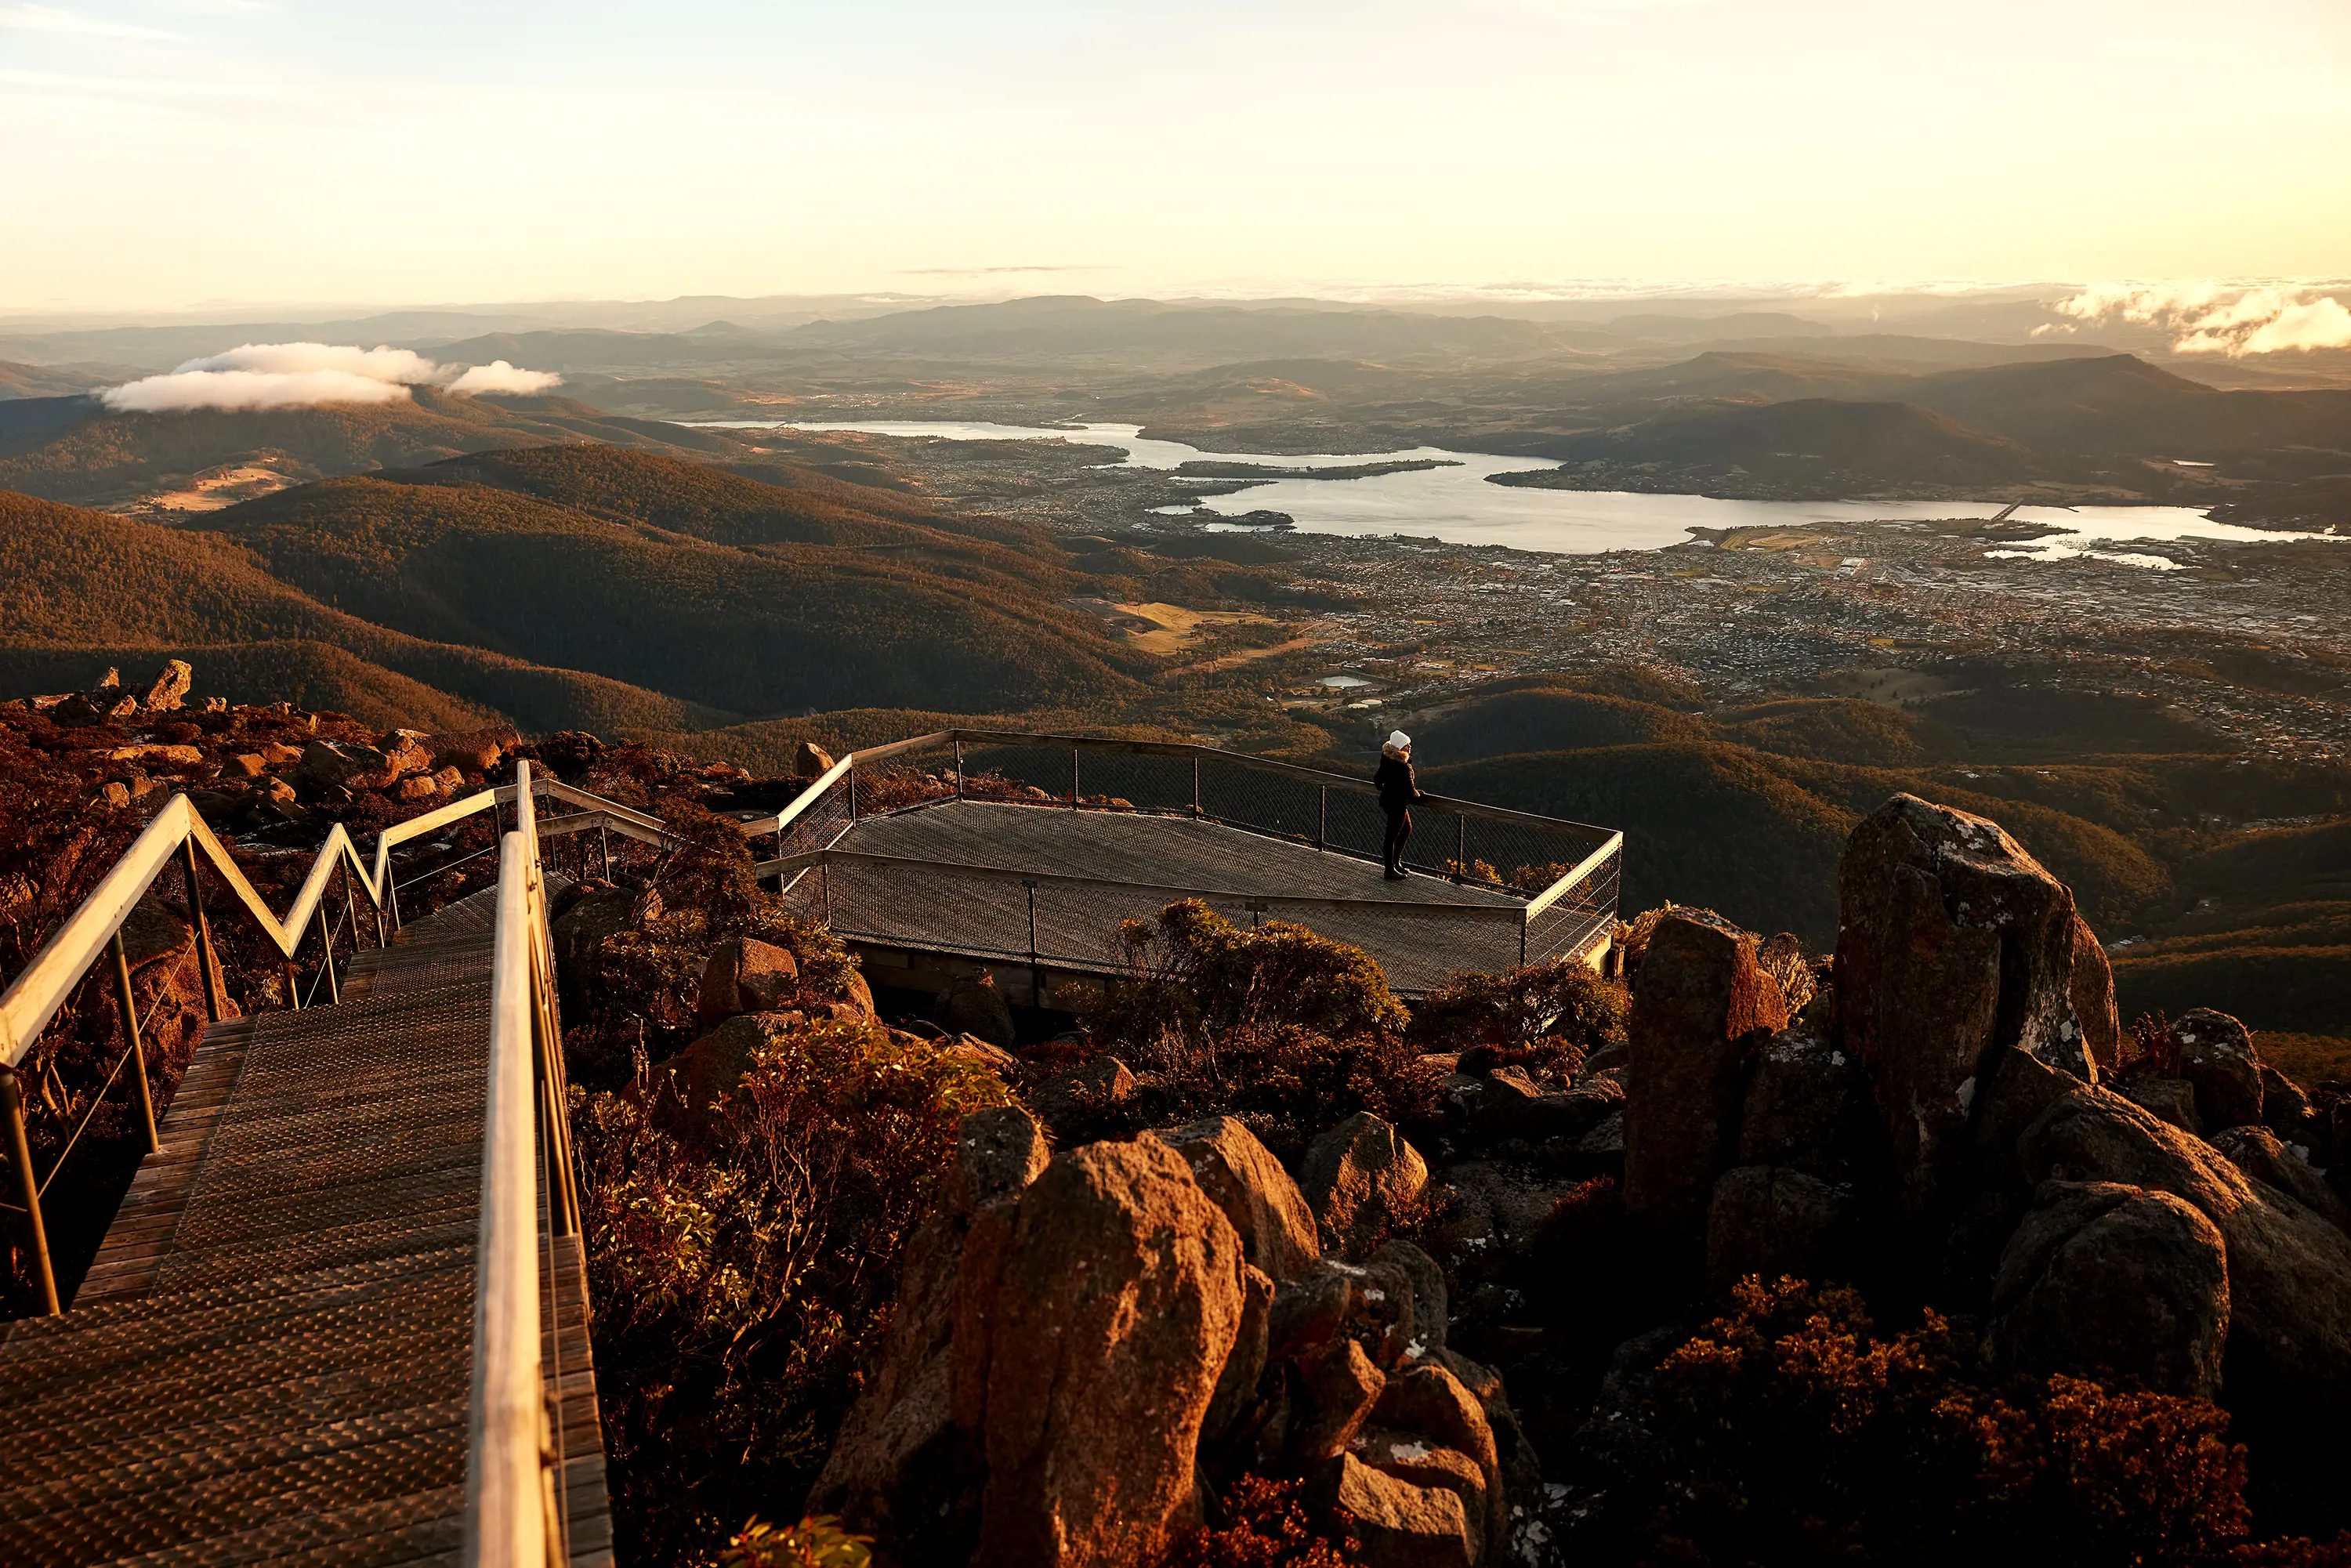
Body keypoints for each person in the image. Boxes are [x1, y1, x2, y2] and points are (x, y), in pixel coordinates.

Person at [1375, 730, 1422, 879]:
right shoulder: (1403, 766)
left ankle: (1396, 864)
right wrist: (1420, 795)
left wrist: (1386, 789)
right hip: (1397, 804)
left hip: (1387, 801)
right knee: (1392, 836)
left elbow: (1377, 780)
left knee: (1406, 829)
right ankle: (1389, 869)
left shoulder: (1387, 758)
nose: (1409, 747)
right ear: (1400, 747)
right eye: (1407, 745)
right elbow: (1411, 792)